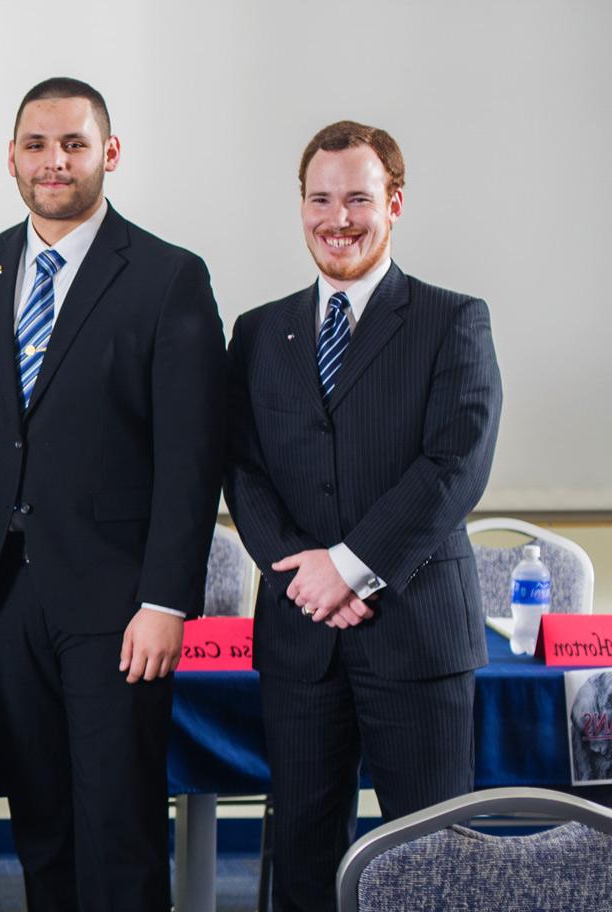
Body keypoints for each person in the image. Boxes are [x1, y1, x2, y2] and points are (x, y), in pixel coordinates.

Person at [0, 77, 226, 911]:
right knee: (42, 820)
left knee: (120, 824)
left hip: (120, 602)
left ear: (110, 154)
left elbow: (190, 457)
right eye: (36, 144)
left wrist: (166, 599)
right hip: (3, 593)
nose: (53, 161)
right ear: (12, 157)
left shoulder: (168, 277)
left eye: (73, 144)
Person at [224, 120, 501, 912]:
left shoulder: (453, 320)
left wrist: (347, 565)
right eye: (320, 198)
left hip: (417, 634)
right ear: (300, 205)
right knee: (303, 856)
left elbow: (456, 464)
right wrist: (306, 579)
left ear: (395, 203)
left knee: (431, 862)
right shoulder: (257, 332)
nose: (336, 218)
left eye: (357, 198)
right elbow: (241, 468)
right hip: (299, 637)